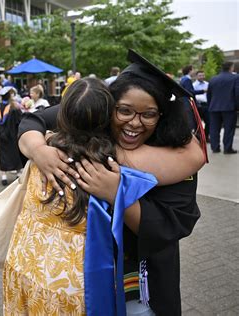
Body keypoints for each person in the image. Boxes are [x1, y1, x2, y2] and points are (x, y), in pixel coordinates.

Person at [17, 49, 205, 315]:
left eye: (148, 114)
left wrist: (118, 195)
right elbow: (33, 120)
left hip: (142, 285)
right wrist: (39, 150)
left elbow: (175, 222)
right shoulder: (93, 117)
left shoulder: (174, 153)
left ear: (161, 115)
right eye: (124, 111)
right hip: (82, 281)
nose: (134, 123)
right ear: (108, 106)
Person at [0, 87, 23, 185]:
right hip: (13, 136)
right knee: (15, 154)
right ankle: (18, 173)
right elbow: (20, 122)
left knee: (3, 155)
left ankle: (3, 176)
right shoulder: (15, 108)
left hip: (2, 137)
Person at [207, 61, 239, 154]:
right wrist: (237, 107)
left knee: (214, 128)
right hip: (229, 107)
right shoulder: (235, 77)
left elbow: (209, 94)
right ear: (231, 67)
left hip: (214, 107)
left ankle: (215, 147)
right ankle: (227, 148)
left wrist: (210, 105)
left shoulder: (213, 79)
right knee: (229, 129)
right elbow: (237, 93)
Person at [180, 65, 207, 130]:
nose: (194, 71)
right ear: (190, 71)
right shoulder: (187, 79)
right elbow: (190, 92)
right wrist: (203, 91)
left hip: (185, 102)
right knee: (191, 122)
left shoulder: (183, 78)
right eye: (193, 69)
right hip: (188, 103)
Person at [193, 70, 210, 142]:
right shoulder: (194, 85)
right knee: (198, 123)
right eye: (200, 75)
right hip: (198, 105)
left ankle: (206, 136)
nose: (202, 77)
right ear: (196, 76)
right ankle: (200, 137)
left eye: (203, 75)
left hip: (207, 105)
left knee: (209, 122)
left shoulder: (207, 84)